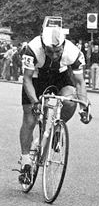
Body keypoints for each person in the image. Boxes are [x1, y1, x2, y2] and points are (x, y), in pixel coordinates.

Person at [17, 26, 91, 184]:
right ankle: (25, 163)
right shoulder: (32, 49)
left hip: (60, 76)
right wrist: (35, 101)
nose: (55, 55)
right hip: (36, 77)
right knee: (30, 118)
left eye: (58, 51)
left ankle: (57, 127)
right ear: (43, 46)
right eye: (50, 52)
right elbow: (27, 79)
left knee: (70, 101)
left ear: (63, 45)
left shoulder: (73, 52)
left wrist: (84, 107)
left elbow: (79, 82)